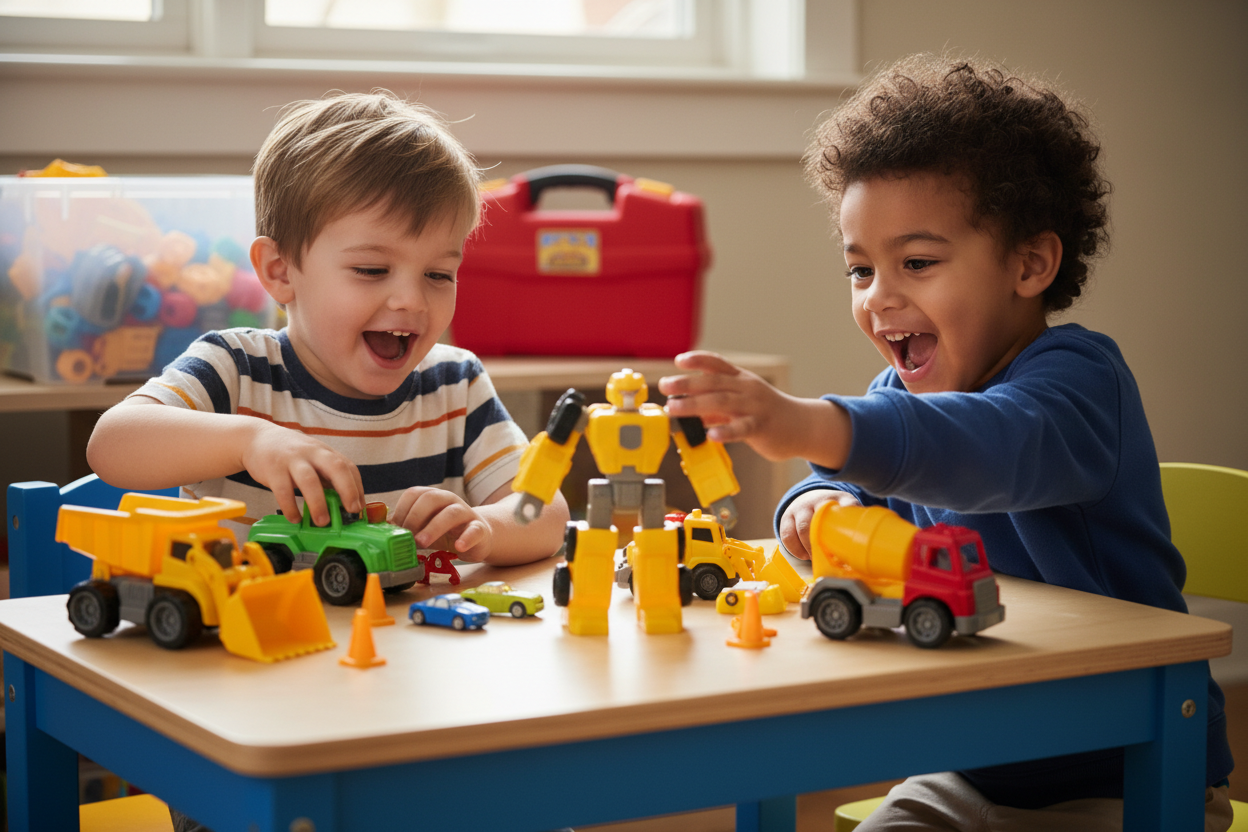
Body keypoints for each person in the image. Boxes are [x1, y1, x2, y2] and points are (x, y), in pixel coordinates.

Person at [658, 54, 1233, 831]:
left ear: (1030, 264)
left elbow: (982, 453)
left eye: (918, 263)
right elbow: (862, 480)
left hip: (1128, 773)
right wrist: (815, 499)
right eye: (860, 269)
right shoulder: (900, 398)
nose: (879, 297)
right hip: (966, 771)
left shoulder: (1080, 387)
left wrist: (807, 424)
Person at [87, 91, 569, 568]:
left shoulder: (455, 384)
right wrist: (250, 441)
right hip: (248, 638)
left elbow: (542, 510)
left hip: (403, 644)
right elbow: (112, 444)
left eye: (439, 275)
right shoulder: (236, 370)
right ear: (280, 271)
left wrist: (484, 528)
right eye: (371, 270)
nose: (412, 300)